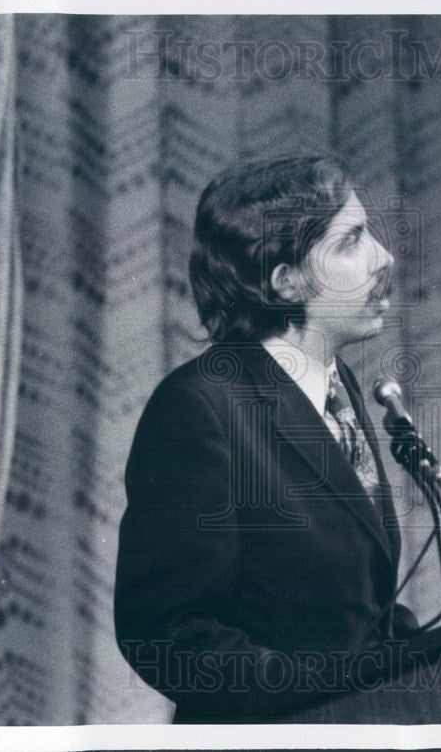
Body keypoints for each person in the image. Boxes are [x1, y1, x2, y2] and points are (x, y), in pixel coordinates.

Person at [114, 155, 418, 722]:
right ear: (286, 282)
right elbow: (166, 632)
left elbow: (353, 608)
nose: (385, 257)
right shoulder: (201, 406)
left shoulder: (339, 387)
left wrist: (414, 660)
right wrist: (328, 698)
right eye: (351, 242)